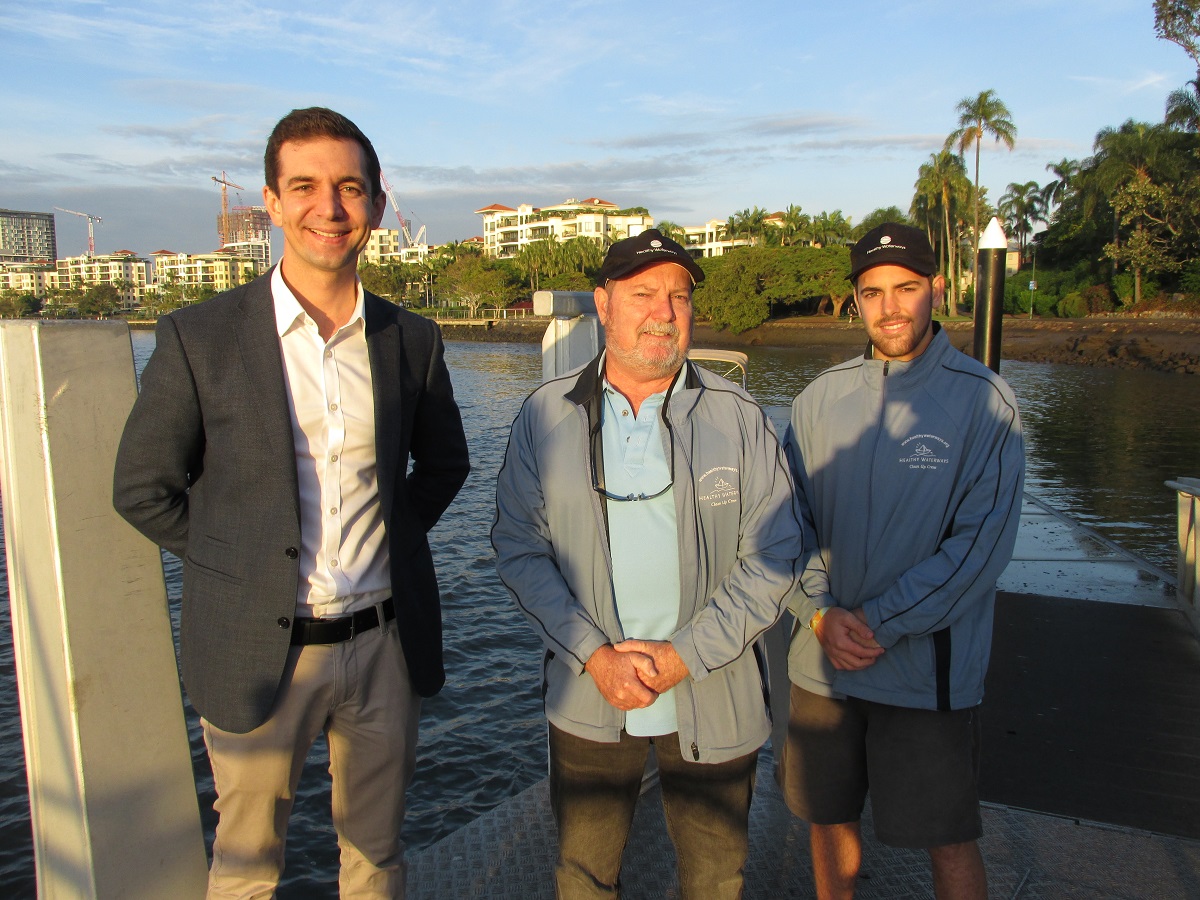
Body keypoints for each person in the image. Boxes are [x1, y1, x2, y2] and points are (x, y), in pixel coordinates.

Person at [113, 107, 470, 898]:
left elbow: (445, 463)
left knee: (376, 856)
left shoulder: (411, 338)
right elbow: (143, 489)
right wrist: (241, 561)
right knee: (246, 866)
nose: (329, 208)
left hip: (385, 643)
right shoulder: (199, 338)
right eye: (304, 186)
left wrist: (394, 537)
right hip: (255, 648)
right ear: (270, 203)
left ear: (377, 205)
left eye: (350, 188)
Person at [492, 229, 802, 899]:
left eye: (679, 296)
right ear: (604, 304)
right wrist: (595, 657)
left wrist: (687, 654)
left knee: (717, 880)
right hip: (589, 697)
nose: (664, 312)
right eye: (643, 294)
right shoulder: (545, 416)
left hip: (714, 697)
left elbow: (774, 557)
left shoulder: (740, 417)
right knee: (583, 876)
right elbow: (520, 548)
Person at [781, 223, 1024, 900]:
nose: (890, 307)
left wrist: (879, 622)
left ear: (937, 289)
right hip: (822, 664)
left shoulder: (985, 402)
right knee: (827, 823)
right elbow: (783, 525)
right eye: (873, 291)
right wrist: (820, 613)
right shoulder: (817, 400)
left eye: (907, 288)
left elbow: (981, 547)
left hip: (924, 675)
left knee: (947, 837)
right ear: (854, 299)